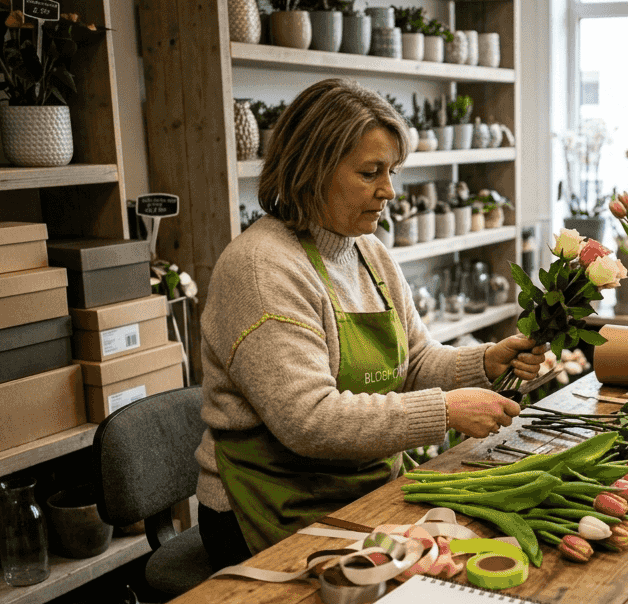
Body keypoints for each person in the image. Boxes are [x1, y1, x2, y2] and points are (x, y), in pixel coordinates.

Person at [195, 78, 544, 567]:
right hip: (270, 506)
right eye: (369, 172)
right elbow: (308, 420)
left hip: (353, 487)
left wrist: (485, 360)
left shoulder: (369, 252)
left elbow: (416, 359)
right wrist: (444, 411)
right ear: (310, 169)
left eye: (391, 171)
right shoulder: (260, 268)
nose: (388, 190)